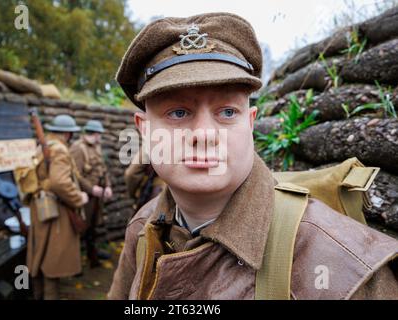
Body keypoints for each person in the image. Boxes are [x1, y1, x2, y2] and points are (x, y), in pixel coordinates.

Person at [108, 13, 398, 300]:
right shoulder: (143, 228)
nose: (205, 134)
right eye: (179, 113)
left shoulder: (346, 266)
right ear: (145, 130)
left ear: (249, 123)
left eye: (227, 112)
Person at [26, 115, 89, 300]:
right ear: (68, 133)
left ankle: (38, 295)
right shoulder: (60, 149)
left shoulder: (43, 147)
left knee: (40, 255)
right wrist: (79, 198)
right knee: (51, 260)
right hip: (54, 209)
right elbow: (59, 183)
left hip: (40, 206)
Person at [70, 120, 113, 267]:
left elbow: (103, 169)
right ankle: (74, 261)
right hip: (86, 196)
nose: (99, 137)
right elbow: (76, 175)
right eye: (98, 134)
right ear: (94, 134)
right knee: (82, 227)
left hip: (97, 195)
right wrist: (91, 189)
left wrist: (107, 186)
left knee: (94, 226)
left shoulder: (96, 147)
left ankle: (92, 254)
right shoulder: (78, 148)